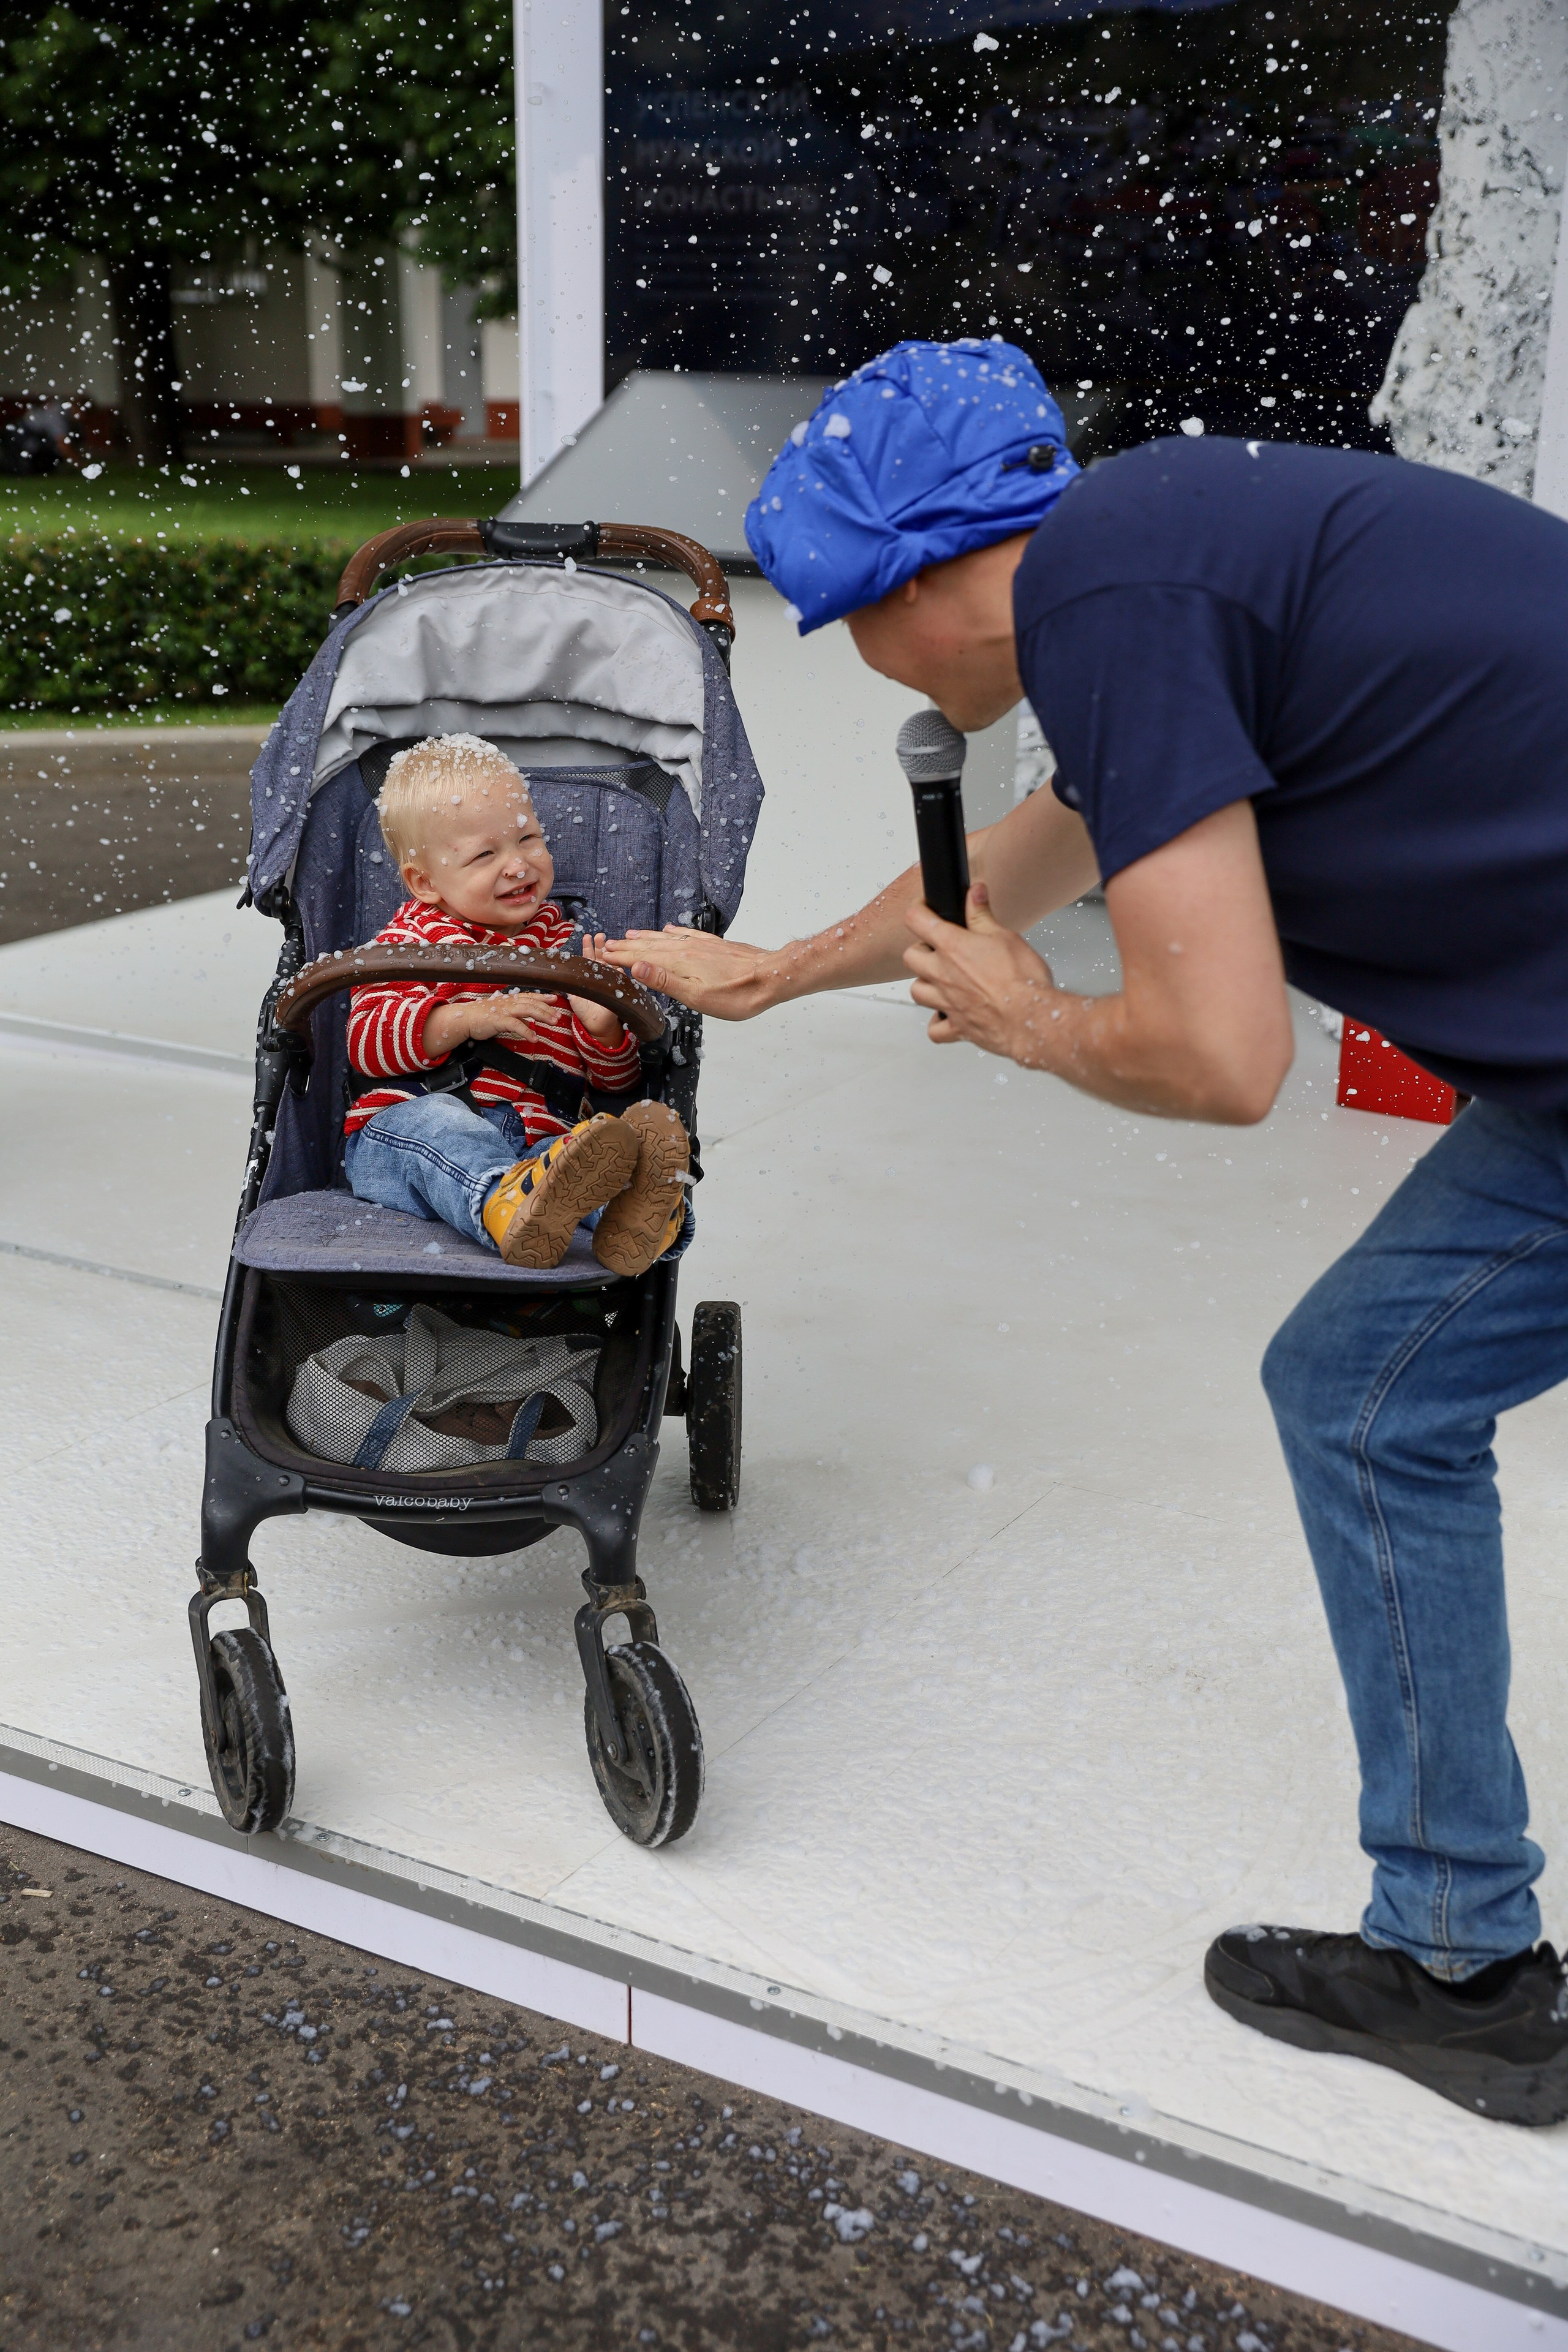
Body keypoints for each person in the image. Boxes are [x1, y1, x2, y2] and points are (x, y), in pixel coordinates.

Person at [602, 338, 1568, 2126]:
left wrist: (1032, 1024)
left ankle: (1463, 1969)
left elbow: (1218, 1054)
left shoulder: (1117, 593)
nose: (854, 653)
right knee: (1361, 1390)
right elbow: (1036, 852)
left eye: (844, 616)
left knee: (1365, 1399)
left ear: (920, 582)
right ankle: (1461, 1949)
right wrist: (785, 971)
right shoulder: (1154, 548)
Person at [344, 734, 687, 1276]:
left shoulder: (563, 946)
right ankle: (499, 1205)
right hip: (403, 1134)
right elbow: (367, 1045)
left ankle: (632, 1210)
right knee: (443, 1127)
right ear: (425, 882)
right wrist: (467, 1018)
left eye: (528, 838)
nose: (518, 864)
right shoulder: (414, 941)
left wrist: (602, 1033)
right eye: (486, 854)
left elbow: (611, 1087)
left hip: (537, 1148)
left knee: (586, 1146)